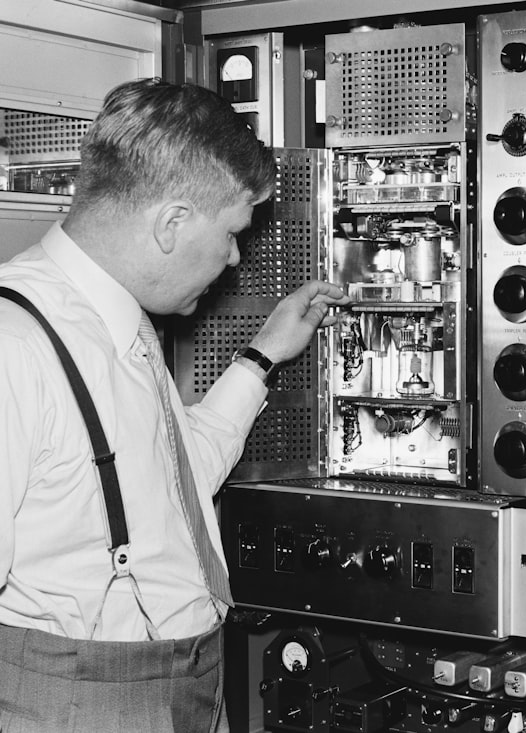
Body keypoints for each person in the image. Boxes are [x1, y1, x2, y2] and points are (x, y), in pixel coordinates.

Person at [0, 78, 350, 732]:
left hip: (185, 686)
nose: (235, 259)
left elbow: (174, 478)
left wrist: (264, 353)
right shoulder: (14, 346)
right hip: (82, 704)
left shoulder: (118, 322)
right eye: (233, 233)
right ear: (172, 223)